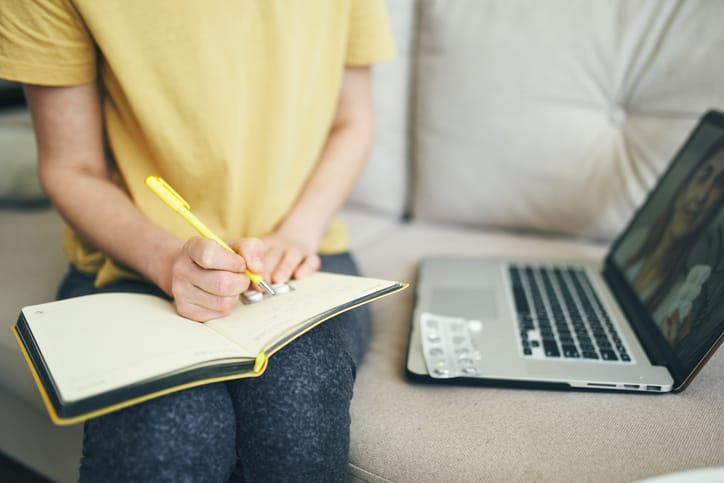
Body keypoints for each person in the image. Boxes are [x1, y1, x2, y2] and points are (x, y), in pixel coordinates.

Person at [0, 1, 394, 481]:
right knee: (164, 432)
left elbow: (352, 119)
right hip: (131, 261)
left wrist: (298, 232)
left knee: (298, 394)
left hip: (303, 251)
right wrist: (167, 260)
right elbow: (70, 166)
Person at [620, 138, 724, 345]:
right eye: (703, 177)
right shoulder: (637, 239)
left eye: (719, 185)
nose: (702, 196)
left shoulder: (678, 301)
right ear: (687, 183)